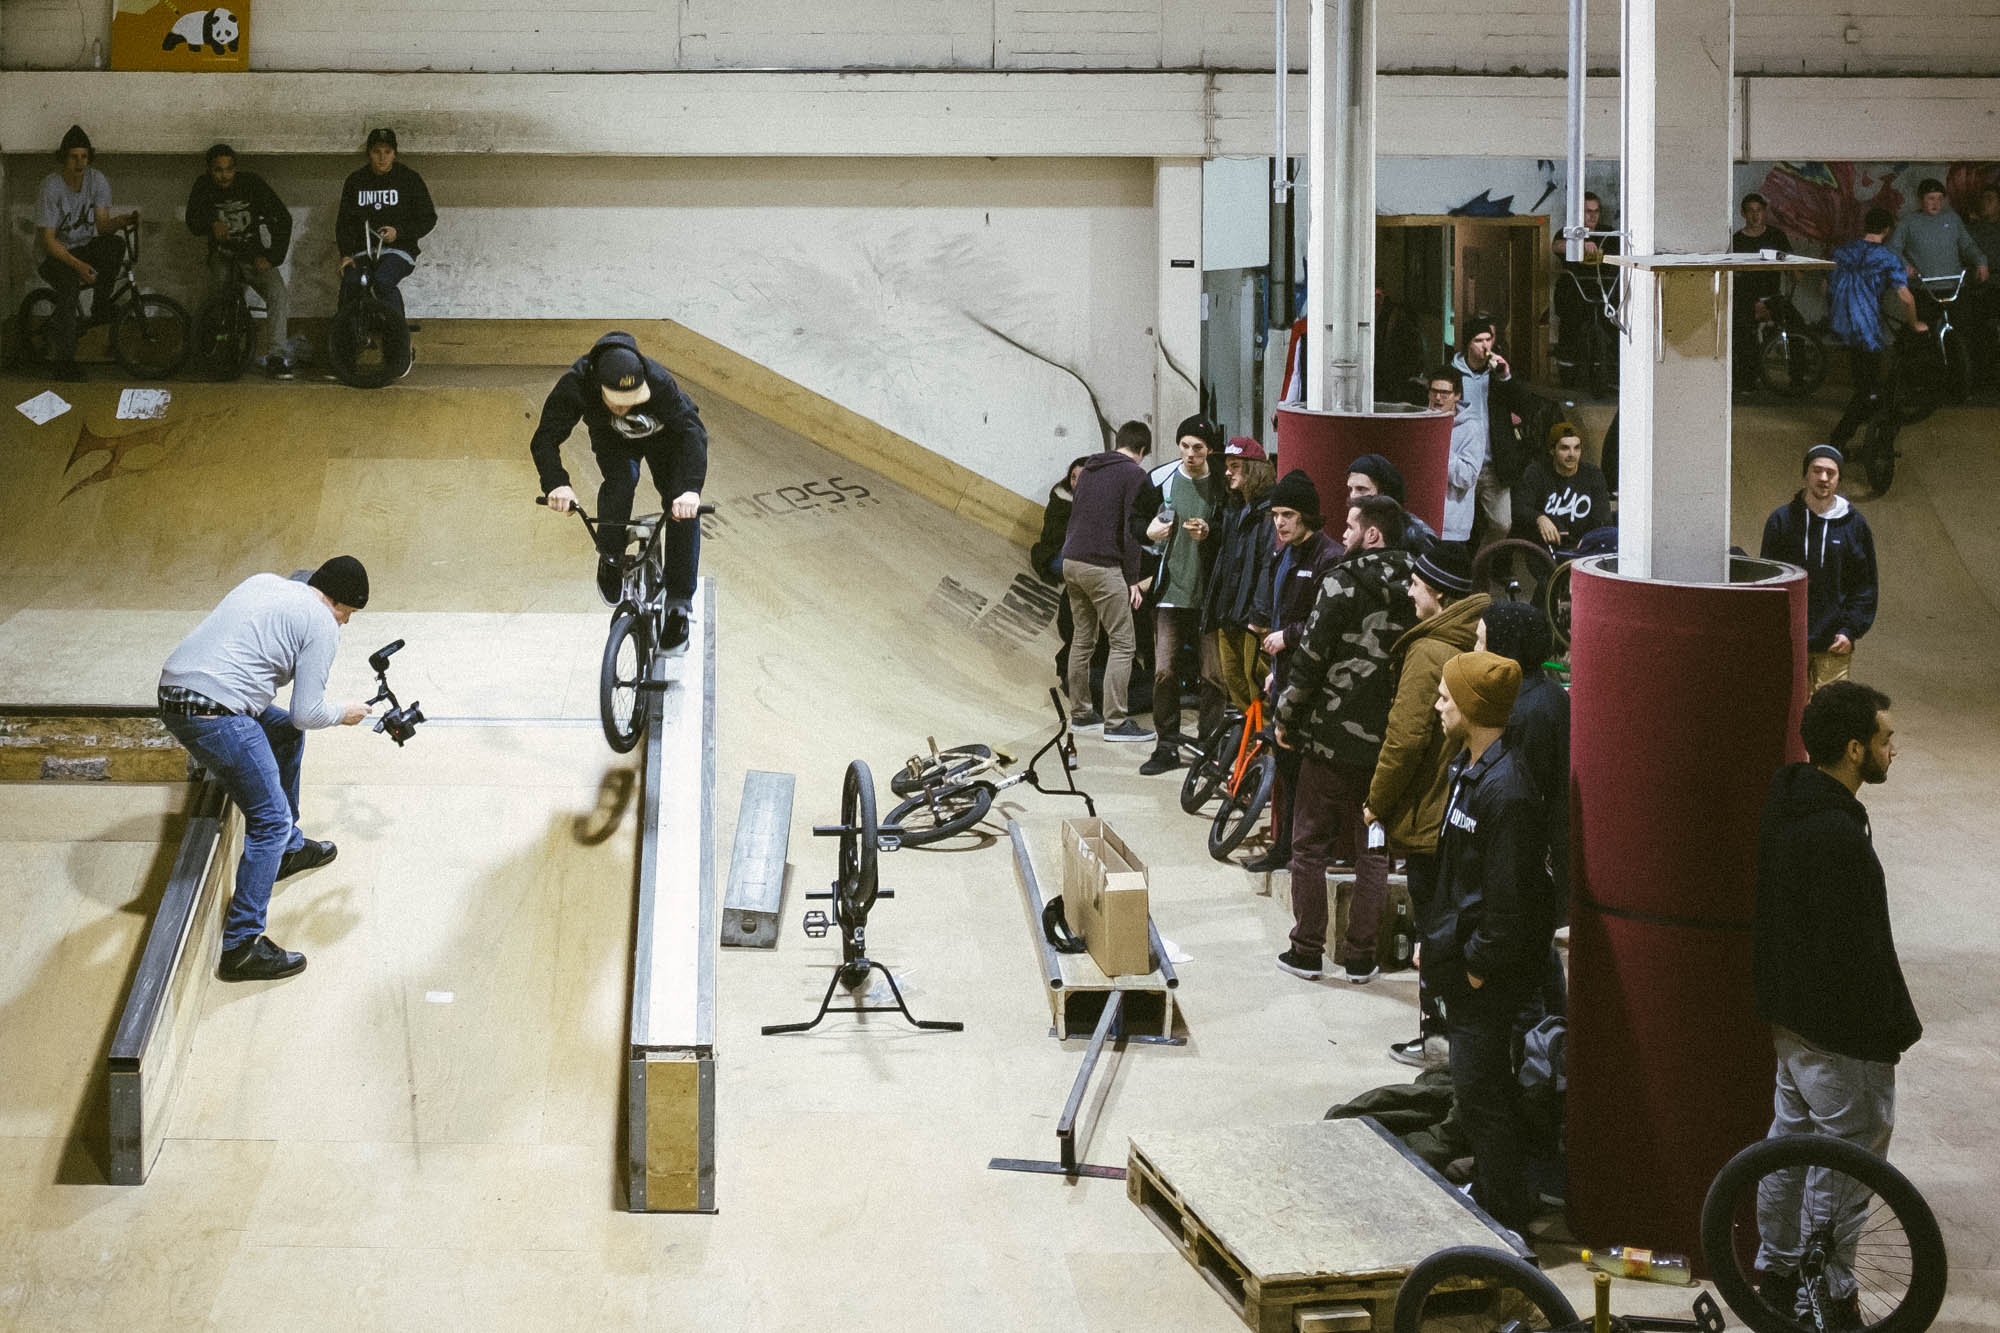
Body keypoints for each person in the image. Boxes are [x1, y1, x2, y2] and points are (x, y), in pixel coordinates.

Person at [1751, 680, 1921, 1326]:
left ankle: (1777, 1270)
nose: (1892, 749)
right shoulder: (1840, 839)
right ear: (1854, 749)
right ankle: (1825, 1293)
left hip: (1791, 1020)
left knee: (1790, 1144)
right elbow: (1859, 955)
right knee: (1841, 1164)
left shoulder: (1787, 800)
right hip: (1839, 1032)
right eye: (1884, 738)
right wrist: (1884, 1037)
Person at [157, 558, 375, 982]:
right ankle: (242, 947)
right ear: (334, 602)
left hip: (172, 690)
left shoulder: (264, 583)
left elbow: (291, 725)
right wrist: (343, 712)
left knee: (283, 735)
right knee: (269, 821)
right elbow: (308, 712)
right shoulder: (322, 624)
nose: (345, 623)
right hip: (215, 715)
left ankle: (287, 853)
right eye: (347, 613)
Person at [1426, 649, 1559, 1234]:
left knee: (1481, 1089)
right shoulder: (1472, 768)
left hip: (1487, 972)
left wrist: (1476, 967)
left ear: (1474, 710)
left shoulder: (1506, 791)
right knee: (1478, 1085)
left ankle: (1504, 1211)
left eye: (1447, 699)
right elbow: (1461, 878)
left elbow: (1509, 901)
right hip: (1462, 959)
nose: (1437, 705)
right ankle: (1496, 1184)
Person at [1272, 496, 1416, 982]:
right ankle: (1361, 956)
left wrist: (1287, 716)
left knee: (1309, 843)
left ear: (1372, 534)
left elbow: (1310, 659)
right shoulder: (1421, 585)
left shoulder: (1340, 580)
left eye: (1352, 526)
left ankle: (1307, 950)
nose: (1345, 535)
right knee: (1373, 848)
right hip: (1387, 748)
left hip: (1331, 741)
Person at [1365, 543, 1492, 1067]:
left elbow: (1405, 739)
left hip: (1427, 815)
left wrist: (1375, 803)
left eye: (1416, 583)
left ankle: (1436, 1040)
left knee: (1433, 930)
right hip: (1461, 812)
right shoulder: (1476, 639)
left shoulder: (1427, 651)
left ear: (1438, 592)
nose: (1409, 590)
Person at [532, 331, 711, 629]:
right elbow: (545, 438)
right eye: (617, 402)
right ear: (599, 386)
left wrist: (691, 490)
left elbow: (693, 431)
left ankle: (679, 599)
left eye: (632, 400)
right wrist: (556, 483)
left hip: (662, 437)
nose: (625, 406)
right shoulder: (577, 383)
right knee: (621, 482)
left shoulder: (657, 380)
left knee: (679, 502)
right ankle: (611, 556)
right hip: (613, 438)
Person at [1244, 470, 1346, 875]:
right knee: (1286, 773)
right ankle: (1284, 848)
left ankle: (1310, 851)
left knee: (1311, 780)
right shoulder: (1282, 552)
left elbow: (1331, 623)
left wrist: (1288, 637)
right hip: (1286, 680)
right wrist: (1275, 670)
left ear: (1307, 516)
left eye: (1287, 515)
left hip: (1313, 689)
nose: (1280, 523)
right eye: (1275, 516)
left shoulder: (1329, 557)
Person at [1477, 601, 1570, 1019]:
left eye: (1480, 642)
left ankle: (1536, 1056)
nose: (1474, 652)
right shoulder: (1549, 695)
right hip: (1543, 861)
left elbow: (1522, 795)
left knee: (1525, 974)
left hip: (1528, 861)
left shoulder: (1526, 710)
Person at [1137, 416, 1228, 777]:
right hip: (1170, 591)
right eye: (1185, 446)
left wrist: (1212, 531)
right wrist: (1149, 533)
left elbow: (1232, 530)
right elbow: (1135, 522)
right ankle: (1167, 744)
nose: (1190, 454)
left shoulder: (1221, 483)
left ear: (1209, 451)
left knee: (1213, 676)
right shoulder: (1160, 478)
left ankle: (1210, 744)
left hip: (1208, 594)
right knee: (1163, 672)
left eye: (1198, 448)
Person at [1058, 422, 1155, 742]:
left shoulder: (1089, 469)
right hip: (1102, 566)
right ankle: (1116, 721)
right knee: (1124, 642)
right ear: (1141, 450)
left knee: (1083, 638)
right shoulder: (1134, 475)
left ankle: (1082, 714)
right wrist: (1132, 580)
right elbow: (1132, 531)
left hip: (1071, 561)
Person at [1760, 445, 1878, 691]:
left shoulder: (1854, 525)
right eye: (1817, 471)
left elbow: (1865, 586)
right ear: (1806, 475)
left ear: (1839, 479)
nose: (1824, 478)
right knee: (1792, 716)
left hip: (1834, 642)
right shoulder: (1782, 521)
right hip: (1792, 641)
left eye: (1831, 473)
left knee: (1829, 718)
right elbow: (1769, 582)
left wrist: (1850, 630)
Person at [34, 124, 139, 381]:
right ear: (64, 158)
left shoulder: (97, 180)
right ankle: (64, 363)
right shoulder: (51, 187)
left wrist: (121, 221)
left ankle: (101, 306)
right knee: (69, 288)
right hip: (53, 254)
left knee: (114, 245)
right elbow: (48, 241)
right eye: (73, 156)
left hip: (81, 246)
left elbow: (102, 226)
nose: (79, 162)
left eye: (84, 156)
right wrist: (78, 266)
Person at [184, 142, 298, 378]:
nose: (224, 176)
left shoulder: (251, 184)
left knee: (277, 292)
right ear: (209, 170)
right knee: (216, 296)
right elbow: (192, 220)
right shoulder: (203, 186)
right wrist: (211, 223)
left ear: (235, 169)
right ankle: (211, 349)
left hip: (251, 254)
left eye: (228, 169)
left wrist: (272, 256)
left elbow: (282, 218)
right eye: (218, 170)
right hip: (223, 254)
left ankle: (276, 356)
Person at [335, 127, 437, 376]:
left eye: (387, 152)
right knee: (351, 283)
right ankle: (343, 356)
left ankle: (399, 351)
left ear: (395, 154)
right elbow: (343, 222)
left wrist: (399, 232)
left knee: (382, 280)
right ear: (369, 154)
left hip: (399, 250)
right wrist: (346, 253)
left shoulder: (409, 179)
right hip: (363, 251)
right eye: (376, 152)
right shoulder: (355, 181)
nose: (382, 158)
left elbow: (428, 218)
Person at [1826, 209, 1923, 454]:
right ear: (1887, 230)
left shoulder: (1842, 251)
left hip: (1841, 324)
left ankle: (1865, 425)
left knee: (1864, 382)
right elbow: (1907, 298)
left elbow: (1824, 286)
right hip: (1865, 329)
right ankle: (1838, 441)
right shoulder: (1888, 258)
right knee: (1870, 392)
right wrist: (1915, 324)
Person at [1202, 437, 1278, 714]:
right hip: (1229, 613)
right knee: (1237, 690)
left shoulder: (1271, 514)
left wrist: (1260, 617)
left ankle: (1265, 753)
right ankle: (1250, 751)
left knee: (1257, 691)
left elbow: (1268, 569)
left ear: (1254, 470)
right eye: (1227, 466)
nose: (1227, 472)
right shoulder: (1234, 509)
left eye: (1235, 466)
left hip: (1252, 620)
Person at [1449, 323, 1525, 545]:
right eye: (1478, 340)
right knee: (1460, 526)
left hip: (1494, 464)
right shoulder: (1453, 373)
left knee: (1502, 524)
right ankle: (1463, 572)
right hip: (1463, 461)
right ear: (1468, 344)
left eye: (1488, 339)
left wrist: (1506, 377)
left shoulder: (1498, 374)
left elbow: (1524, 405)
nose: (1485, 345)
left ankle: (1481, 565)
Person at [1033, 455, 1093, 685]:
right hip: (1055, 554)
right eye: (1074, 477)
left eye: (1083, 478)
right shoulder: (1062, 499)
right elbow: (1059, 537)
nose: (1077, 482)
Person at [1511, 420, 1611, 550]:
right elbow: (1519, 507)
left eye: (1576, 448)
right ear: (1552, 450)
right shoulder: (1536, 472)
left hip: (1583, 547)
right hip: (1546, 547)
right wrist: (1540, 518)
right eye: (1565, 448)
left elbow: (1603, 518)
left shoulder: (1592, 474)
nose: (1572, 454)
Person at [1552, 193, 1620, 379]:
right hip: (1576, 292)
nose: (1593, 216)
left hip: (1604, 291)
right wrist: (1579, 244)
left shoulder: (1608, 233)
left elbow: (1623, 250)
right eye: (1587, 211)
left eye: (1596, 211)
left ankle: (1611, 371)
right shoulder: (1570, 231)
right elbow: (1557, 246)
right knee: (1570, 324)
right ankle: (1568, 372)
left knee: (1614, 325)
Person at [1731, 192, 1794, 392]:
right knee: (1742, 335)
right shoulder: (1737, 241)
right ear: (1743, 214)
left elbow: (1789, 260)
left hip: (1773, 297)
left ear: (1764, 212)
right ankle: (1746, 381)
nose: (1755, 216)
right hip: (1745, 298)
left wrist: (1795, 272)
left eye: (1758, 211)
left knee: (1797, 326)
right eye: (1750, 211)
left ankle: (1798, 380)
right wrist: (1753, 302)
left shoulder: (1776, 236)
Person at [1888, 178, 1989, 295]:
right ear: (1920, 200)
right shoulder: (1908, 222)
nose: (1936, 203)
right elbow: (1892, 248)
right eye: (1931, 198)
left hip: (1955, 286)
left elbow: (1967, 245)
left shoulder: (1952, 218)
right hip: (1922, 288)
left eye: (1940, 198)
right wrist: (1904, 265)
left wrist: (1981, 261)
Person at [1431, 365, 1483, 543]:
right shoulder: (1421, 421)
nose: (1438, 398)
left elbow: (1467, 477)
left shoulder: (1471, 427)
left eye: (1444, 393)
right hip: (1422, 521)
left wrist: (1440, 448)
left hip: (1452, 528)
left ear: (1457, 396)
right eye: (1434, 391)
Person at [1347, 452, 1438, 552]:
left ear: (1383, 491)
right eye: (1350, 489)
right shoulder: (1357, 525)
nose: (1353, 496)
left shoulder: (1415, 532)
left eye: (1361, 489)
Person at [1964, 184, 2000, 386]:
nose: (1985, 203)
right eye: (1983, 198)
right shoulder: (1971, 230)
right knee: (1978, 331)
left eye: (1990, 199)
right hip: (1979, 290)